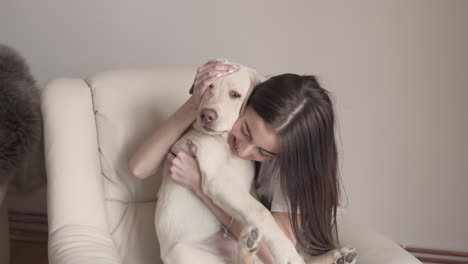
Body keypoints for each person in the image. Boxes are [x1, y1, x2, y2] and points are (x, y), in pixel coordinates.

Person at [129, 59, 341, 264]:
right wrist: (195, 104)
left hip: (237, 242)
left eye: (263, 151)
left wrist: (199, 185)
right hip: (189, 247)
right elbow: (139, 167)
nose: (244, 149)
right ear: (249, 102)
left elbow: (274, 255)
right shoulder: (215, 122)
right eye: (246, 130)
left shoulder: (287, 166)